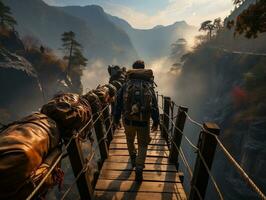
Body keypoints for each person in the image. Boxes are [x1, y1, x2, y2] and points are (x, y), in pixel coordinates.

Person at [113, 60, 160, 182]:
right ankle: (139, 167)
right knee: (143, 144)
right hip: (144, 121)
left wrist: (116, 119)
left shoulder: (126, 84)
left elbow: (118, 103)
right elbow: (154, 104)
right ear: (143, 69)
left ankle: (133, 158)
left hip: (128, 121)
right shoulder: (148, 84)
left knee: (129, 139)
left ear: (133, 69)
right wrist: (156, 121)